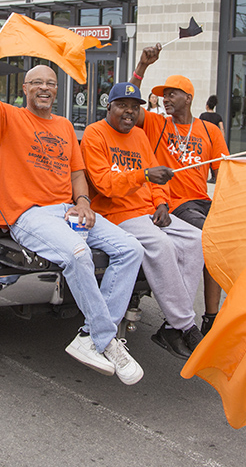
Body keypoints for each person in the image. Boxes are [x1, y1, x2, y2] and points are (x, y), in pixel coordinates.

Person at [0, 9, 146, 385]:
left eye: (51, 82)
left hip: (68, 211)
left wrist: (83, 202)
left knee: (131, 249)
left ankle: (89, 337)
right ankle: (106, 338)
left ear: (56, 89)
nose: (45, 88)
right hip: (29, 216)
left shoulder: (66, 126)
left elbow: (78, 174)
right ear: (26, 90)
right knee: (78, 255)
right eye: (37, 83)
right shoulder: (8, 118)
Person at [129, 44, 246, 344]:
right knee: (214, 240)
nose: (165, 98)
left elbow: (224, 174)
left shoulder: (209, 131)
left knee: (240, 243)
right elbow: (129, 103)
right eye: (163, 94)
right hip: (174, 205)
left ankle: (215, 318)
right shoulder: (156, 124)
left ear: (188, 98)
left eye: (172, 93)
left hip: (203, 202)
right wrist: (142, 66)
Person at [81, 82, 206, 359]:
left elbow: (156, 178)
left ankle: (173, 324)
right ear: (109, 106)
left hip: (150, 211)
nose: (129, 111)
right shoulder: (95, 134)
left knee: (196, 240)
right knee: (162, 245)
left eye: (134, 106)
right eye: (123, 105)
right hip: (117, 214)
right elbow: (104, 184)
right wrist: (144, 176)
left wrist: (162, 202)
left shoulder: (139, 136)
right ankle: (185, 325)